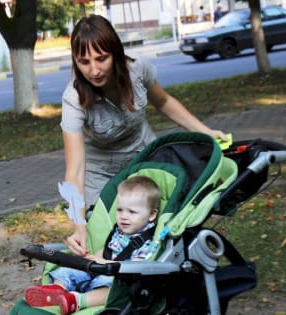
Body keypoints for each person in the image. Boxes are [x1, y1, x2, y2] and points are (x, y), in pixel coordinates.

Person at [61, 14, 228, 257]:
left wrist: (206, 132)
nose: (94, 70)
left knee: (163, 230)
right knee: (106, 244)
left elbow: (165, 102)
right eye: (84, 61)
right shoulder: (73, 98)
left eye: (101, 58)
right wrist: (78, 225)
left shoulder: (137, 69)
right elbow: (74, 171)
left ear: (115, 53)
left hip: (144, 160)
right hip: (101, 176)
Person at [25, 176, 161, 315]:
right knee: (68, 271)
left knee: (110, 289)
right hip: (99, 269)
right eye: (120, 210)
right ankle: (55, 292)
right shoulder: (119, 231)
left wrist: (105, 263)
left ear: (151, 215)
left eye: (132, 212)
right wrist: (91, 259)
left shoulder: (148, 242)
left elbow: (136, 266)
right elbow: (107, 250)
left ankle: (77, 301)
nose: (123, 216)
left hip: (119, 279)